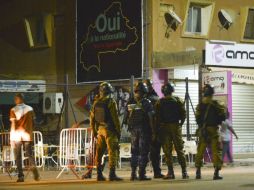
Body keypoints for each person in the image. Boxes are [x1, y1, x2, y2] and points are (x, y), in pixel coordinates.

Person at [155, 83, 189, 180]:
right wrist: (179, 125)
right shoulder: (178, 100)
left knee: (167, 151)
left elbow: (157, 117)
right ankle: (184, 172)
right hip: (175, 126)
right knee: (179, 149)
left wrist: (158, 129)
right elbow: (183, 115)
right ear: (172, 90)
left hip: (164, 127)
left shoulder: (159, 102)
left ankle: (170, 172)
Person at [90, 82, 122, 181]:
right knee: (112, 151)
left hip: (100, 130)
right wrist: (118, 130)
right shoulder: (111, 102)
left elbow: (92, 119)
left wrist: (94, 131)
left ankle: (99, 174)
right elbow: (115, 117)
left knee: (99, 153)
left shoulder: (96, 102)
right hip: (110, 130)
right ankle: (112, 174)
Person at [195, 84, 226, 180]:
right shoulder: (216, 105)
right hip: (213, 130)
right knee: (216, 151)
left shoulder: (200, 105)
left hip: (203, 130)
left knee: (200, 150)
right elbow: (223, 117)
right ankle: (216, 173)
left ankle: (198, 172)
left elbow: (197, 118)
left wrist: (202, 127)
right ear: (212, 93)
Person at [126, 82, 154, 181]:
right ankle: (142, 174)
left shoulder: (130, 102)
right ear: (145, 92)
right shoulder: (147, 102)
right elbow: (151, 117)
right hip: (144, 130)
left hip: (133, 131)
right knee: (143, 152)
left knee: (134, 152)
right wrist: (153, 131)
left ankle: (133, 174)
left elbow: (126, 118)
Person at [10, 93, 40, 182]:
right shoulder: (30, 108)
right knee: (29, 154)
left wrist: (11, 137)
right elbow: (34, 122)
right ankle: (33, 166)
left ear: (18, 99)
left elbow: (13, 124)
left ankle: (21, 176)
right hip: (27, 135)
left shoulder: (13, 110)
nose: (15, 100)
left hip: (17, 136)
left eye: (15, 99)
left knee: (18, 156)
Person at [144, 79, 164, 178]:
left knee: (142, 151)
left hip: (142, 129)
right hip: (154, 128)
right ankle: (157, 172)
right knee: (155, 151)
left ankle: (138, 173)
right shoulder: (156, 99)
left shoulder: (140, 101)